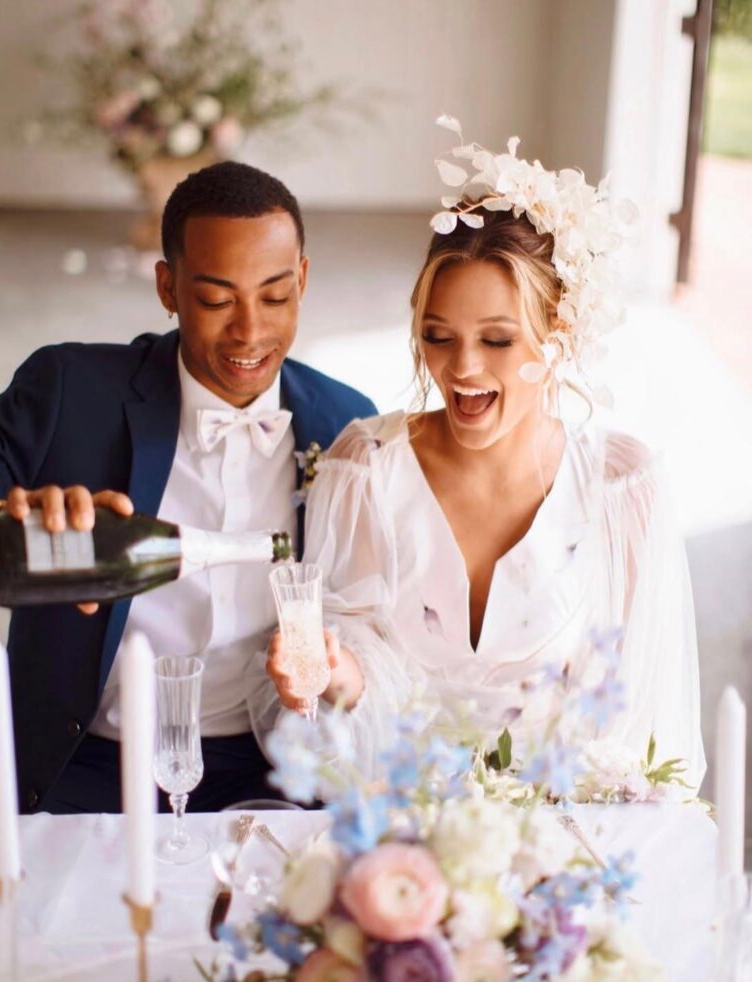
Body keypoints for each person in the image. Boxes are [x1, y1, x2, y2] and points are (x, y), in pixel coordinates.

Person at [0, 161, 377, 813]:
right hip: (83, 759)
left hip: (273, 765)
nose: (250, 332)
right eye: (217, 300)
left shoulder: (346, 425)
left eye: (275, 297)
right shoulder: (72, 390)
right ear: (168, 287)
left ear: (303, 280)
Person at [268, 128, 706, 788]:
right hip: (401, 820)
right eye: (438, 336)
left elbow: (643, 727)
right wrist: (337, 675)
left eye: (497, 340)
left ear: (559, 332)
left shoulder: (621, 489)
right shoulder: (365, 470)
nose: (462, 368)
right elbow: (354, 680)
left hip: (566, 823)